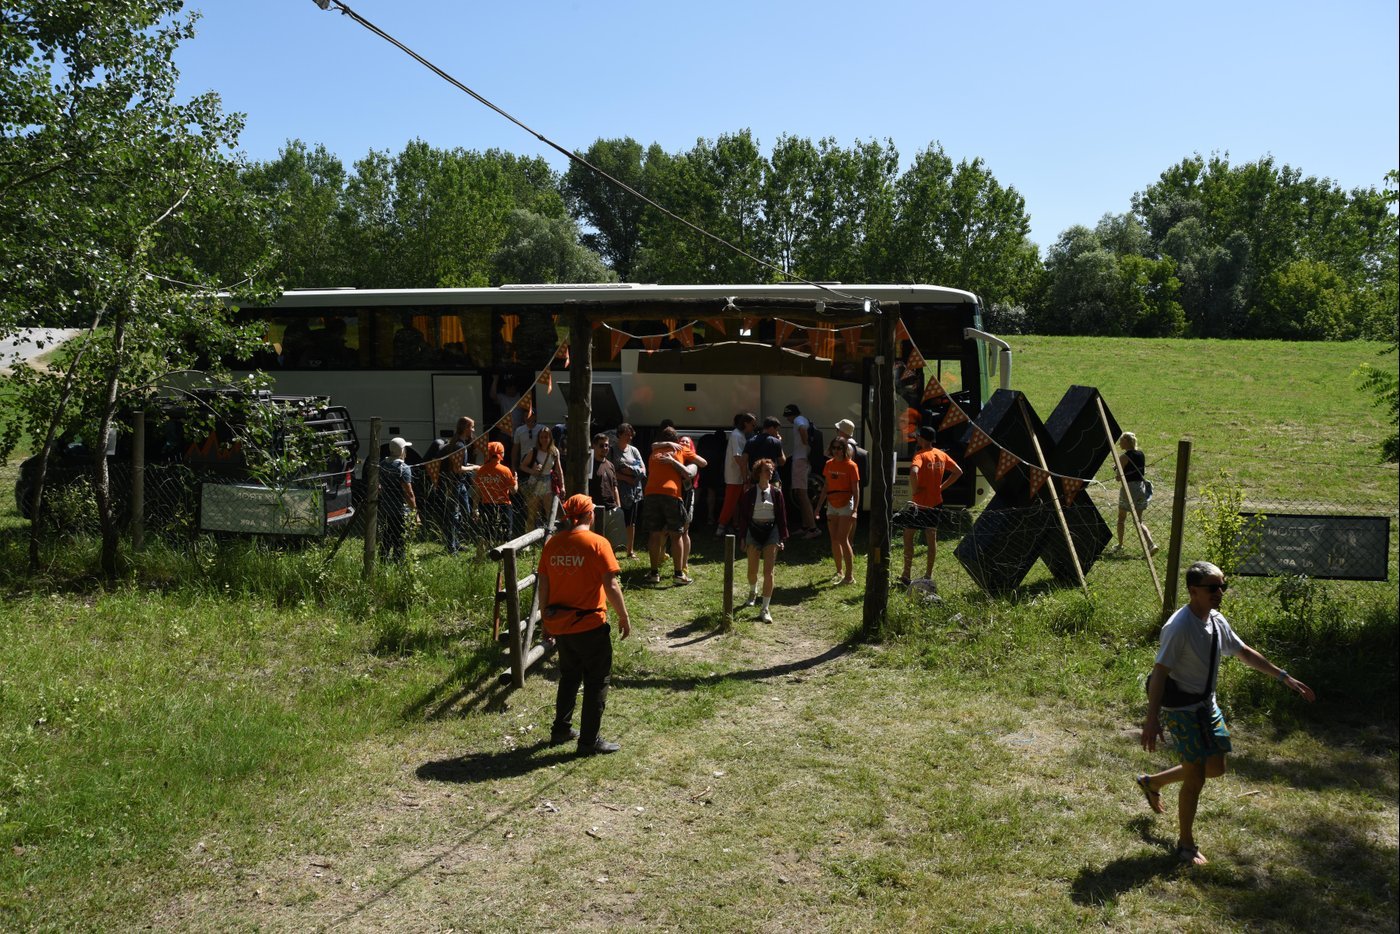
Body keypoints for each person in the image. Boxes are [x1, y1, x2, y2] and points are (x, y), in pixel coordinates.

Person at [1137, 561, 1315, 866]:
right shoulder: (1179, 627)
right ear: (1194, 591)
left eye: (1223, 586)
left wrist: (1285, 677)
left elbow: (1244, 652)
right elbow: (1161, 672)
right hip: (1181, 709)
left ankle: (1152, 782)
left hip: (1207, 704)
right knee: (1196, 779)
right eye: (1212, 588)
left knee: (1215, 767)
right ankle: (1186, 845)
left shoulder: (1216, 620)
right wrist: (1151, 719)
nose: (1219, 592)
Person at [538, 493, 632, 756]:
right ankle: (589, 741)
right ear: (590, 514)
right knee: (597, 680)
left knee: (568, 676)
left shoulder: (552, 545)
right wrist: (623, 616)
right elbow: (611, 585)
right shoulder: (598, 543)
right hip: (590, 624)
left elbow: (543, 584)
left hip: (561, 624)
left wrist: (545, 618)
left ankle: (561, 729)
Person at [894, 426, 964, 587]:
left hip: (919, 505)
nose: (916, 439)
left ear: (923, 439)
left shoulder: (920, 455)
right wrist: (941, 487)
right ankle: (928, 575)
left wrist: (915, 488)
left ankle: (906, 574)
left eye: (918, 436)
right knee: (931, 538)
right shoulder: (941, 454)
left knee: (908, 536)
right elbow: (958, 471)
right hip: (936, 503)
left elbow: (913, 472)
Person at [641, 427, 698, 585]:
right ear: (677, 440)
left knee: (654, 534)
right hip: (672, 494)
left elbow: (654, 445)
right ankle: (678, 575)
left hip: (651, 493)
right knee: (676, 534)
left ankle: (654, 573)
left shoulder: (654, 451)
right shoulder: (681, 450)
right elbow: (702, 462)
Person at [734, 458, 789, 623]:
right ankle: (753, 591)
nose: (770, 472)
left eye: (771, 470)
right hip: (753, 530)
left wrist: (782, 537)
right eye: (767, 470)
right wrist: (742, 537)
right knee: (752, 570)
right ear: (758, 473)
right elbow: (743, 518)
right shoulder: (749, 493)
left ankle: (765, 608)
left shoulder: (777, 493)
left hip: (771, 532)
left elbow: (782, 517)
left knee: (769, 572)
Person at [815, 438, 860, 584]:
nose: (836, 450)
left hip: (846, 504)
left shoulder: (851, 466)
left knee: (843, 539)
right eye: (834, 447)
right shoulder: (829, 464)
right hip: (832, 504)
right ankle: (839, 571)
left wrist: (855, 510)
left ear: (844, 449)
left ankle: (849, 576)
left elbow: (856, 490)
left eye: (839, 448)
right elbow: (826, 486)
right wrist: (818, 507)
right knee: (834, 539)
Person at [1115, 431, 1158, 555]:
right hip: (1140, 488)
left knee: (1121, 518)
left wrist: (1117, 469)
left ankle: (1120, 544)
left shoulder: (1123, 457)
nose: (1119, 443)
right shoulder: (1141, 454)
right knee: (1139, 521)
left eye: (1121, 441)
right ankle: (1151, 544)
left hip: (1128, 489)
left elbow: (1119, 477)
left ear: (1127, 442)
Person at [782, 404, 821, 539]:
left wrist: (805, 443)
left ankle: (813, 529)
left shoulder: (798, 420)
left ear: (791, 414)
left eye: (787, 416)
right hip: (802, 459)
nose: (787, 419)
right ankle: (805, 526)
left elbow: (802, 430)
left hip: (800, 461)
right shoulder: (803, 419)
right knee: (800, 493)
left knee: (802, 495)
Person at [609, 423, 646, 559]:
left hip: (634, 491)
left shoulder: (634, 450)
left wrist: (630, 470)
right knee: (615, 520)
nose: (629, 437)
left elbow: (643, 470)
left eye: (631, 434)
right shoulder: (612, 451)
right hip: (617, 491)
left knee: (631, 522)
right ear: (619, 434)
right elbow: (610, 472)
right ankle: (612, 550)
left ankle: (630, 551)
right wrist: (626, 476)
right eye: (626, 434)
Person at [473, 441, 517, 554]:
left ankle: (479, 559)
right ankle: (502, 559)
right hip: (504, 505)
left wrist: (475, 508)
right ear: (502, 454)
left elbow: (477, 492)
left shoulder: (481, 470)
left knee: (486, 534)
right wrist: (515, 480)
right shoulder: (505, 470)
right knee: (505, 535)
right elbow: (513, 491)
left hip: (486, 505)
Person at [716, 412, 756, 535]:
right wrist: (746, 475)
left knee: (738, 503)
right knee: (730, 502)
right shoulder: (737, 436)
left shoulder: (739, 435)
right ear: (746, 423)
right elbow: (739, 458)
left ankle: (735, 525)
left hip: (737, 476)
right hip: (735, 476)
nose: (754, 428)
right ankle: (721, 527)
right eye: (752, 425)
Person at [378, 437, 417, 561]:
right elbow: (409, 493)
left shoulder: (383, 464)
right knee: (400, 537)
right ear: (401, 450)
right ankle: (398, 562)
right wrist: (415, 511)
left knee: (387, 534)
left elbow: (378, 486)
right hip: (400, 509)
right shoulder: (403, 468)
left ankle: (383, 559)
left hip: (386, 507)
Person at [519, 424, 563, 531]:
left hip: (548, 483)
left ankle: (549, 538)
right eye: (542, 437)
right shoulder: (533, 451)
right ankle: (528, 541)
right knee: (532, 514)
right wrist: (533, 471)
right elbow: (522, 466)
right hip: (535, 483)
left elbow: (558, 469)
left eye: (546, 437)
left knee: (549, 513)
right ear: (538, 439)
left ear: (550, 438)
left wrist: (562, 486)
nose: (544, 439)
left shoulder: (554, 451)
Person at [674, 433, 707, 579]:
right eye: (681, 441)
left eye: (687, 442)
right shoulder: (673, 456)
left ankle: (684, 564)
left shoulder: (692, 462)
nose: (684, 443)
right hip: (673, 496)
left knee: (684, 532)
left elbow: (690, 474)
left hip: (686, 496)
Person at [587, 433, 621, 546]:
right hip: (594, 508)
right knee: (594, 541)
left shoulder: (610, 465)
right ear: (594, 446)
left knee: (611, 542)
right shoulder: (589, 464)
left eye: (607, 446)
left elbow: (614, 486)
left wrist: (618, 506)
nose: (605, 448)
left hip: (611, 507)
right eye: (601, 446)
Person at [834, 418, 870, 497]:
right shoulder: (851, 445)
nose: (836, 432)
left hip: (845, 487)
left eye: (838, 430)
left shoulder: (847, 446)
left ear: (843, 432)